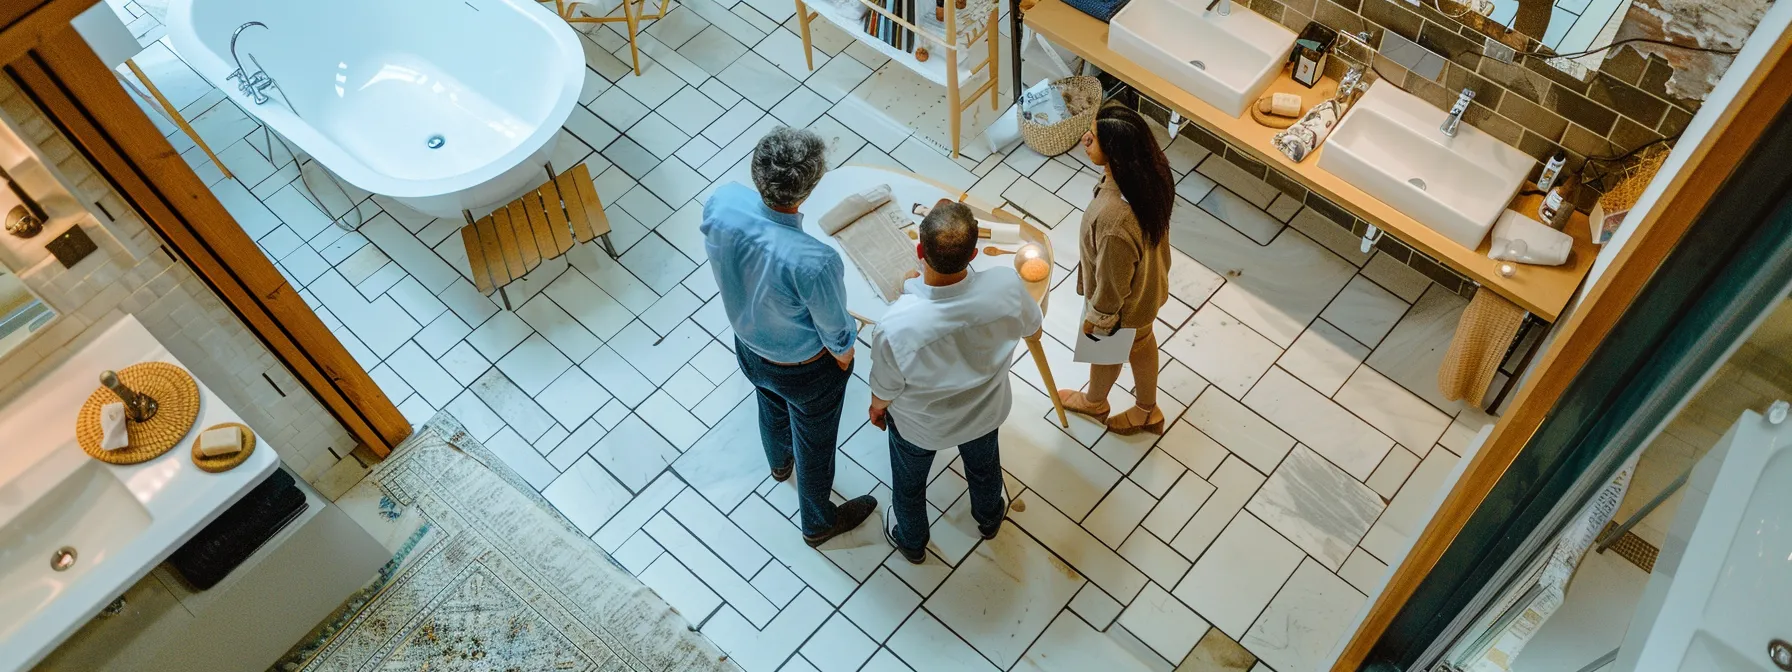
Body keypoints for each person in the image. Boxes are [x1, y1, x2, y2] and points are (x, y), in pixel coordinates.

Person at [701, 127, 876, 547]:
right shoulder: (814, 261)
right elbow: (836, 332)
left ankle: (779, 464)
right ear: (808, 189)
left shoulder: (721, 201)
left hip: (748, 346)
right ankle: (817, 522)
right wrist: (845, 355)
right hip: (804, 369)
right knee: (815, 444)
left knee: (769, 404)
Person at [868, 200, 1043, 564]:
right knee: (983, 467)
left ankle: (912, 541)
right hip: (984, 413)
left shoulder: (896, 325)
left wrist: (877, 409)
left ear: (919, 251)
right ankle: (989, 518)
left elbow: (885, 389)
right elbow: (1033, 327)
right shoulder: (1006, 284)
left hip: (922, 427)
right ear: (974, 253)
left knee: (910, 484)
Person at [1059, 104, 1176, 435]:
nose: (1085, 139)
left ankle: (1124, 408)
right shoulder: (1154, 172)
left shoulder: (1113, 219)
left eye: (1093, 138)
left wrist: (1097, 318)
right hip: (1149, 286)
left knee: (1108, 348)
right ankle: (1125, 405)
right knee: (1139, 342)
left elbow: (1112, 283)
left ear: (1115, 153)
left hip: (1124, 304)